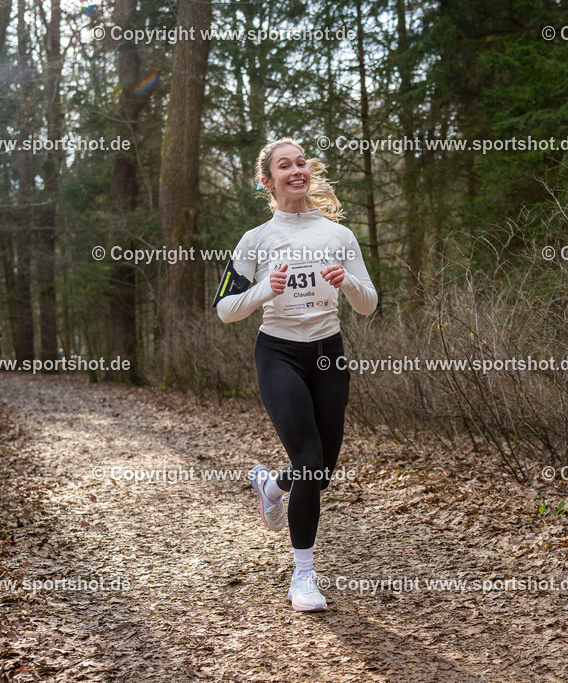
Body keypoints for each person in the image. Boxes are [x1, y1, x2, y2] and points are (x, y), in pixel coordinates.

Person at [214, 138, 378, 611]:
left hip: (329, 354)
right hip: (279, 354)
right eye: (284, 165)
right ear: (268, 180)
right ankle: (303, 576)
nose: (296, 170)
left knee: (319, 472)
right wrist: (266, 288)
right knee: (308, 456)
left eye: (301, 162)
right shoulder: (256, 239)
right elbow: (225, 309)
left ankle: (272, 484)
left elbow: (368, 304)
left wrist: (344, 281)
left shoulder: (338, 236)